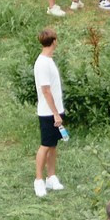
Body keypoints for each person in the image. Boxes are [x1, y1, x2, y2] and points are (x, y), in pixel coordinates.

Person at [31, 29, 65, 198]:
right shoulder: (43, 63)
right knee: (45, 145)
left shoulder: (49, 60)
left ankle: (51, 176)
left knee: (53, 145)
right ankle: (39, 180)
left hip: (56, 110)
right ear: (54, 41)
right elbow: (45, 91)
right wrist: (55, 114)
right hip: (48, 112)